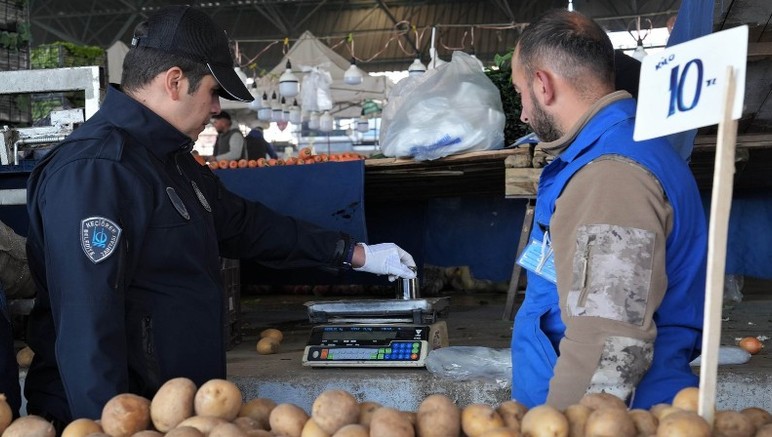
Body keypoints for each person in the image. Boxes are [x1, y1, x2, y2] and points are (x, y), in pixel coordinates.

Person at [24, 5, 416, 428]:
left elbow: (245, 225)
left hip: (180, 413)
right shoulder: (98, 170)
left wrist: (352, 252)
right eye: (212, 91)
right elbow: (87, 327)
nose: (215, 108)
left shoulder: (170, 161)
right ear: (175, 81)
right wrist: (106, 426)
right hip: (128, 415)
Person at [509, 9, 707, 410]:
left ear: (543, 85)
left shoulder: (610, 175)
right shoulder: (618, 151)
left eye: (520, 93)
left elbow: (607, 344)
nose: (524, 113)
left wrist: (567, 423)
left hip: (615, 416)